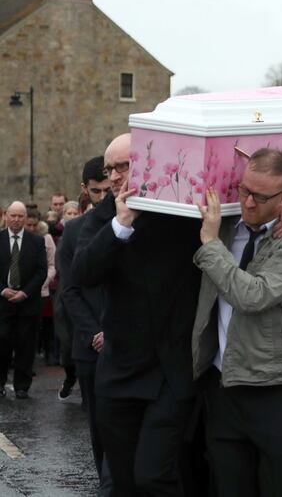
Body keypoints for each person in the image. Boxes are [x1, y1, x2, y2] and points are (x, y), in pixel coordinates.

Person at [71, 133, 203, 496]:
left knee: (154, 476)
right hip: (119, 371)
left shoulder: (179, 207)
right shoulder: (103, 216)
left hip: (169, 370)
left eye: (122, 166)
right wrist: (121, 225)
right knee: (124, 481)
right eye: (109, 169)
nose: (114, 176)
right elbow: (82, 273)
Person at [192, 148, 282, 497]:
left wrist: (209, 245)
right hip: (227, 384)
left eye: (261, 197)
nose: (249, 203)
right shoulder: (225, 228)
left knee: (280, 487)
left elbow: (253, 296)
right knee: (228, 486)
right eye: (243, 190)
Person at [57, 155, 113, 493]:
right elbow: (70, 291)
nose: (104, 198)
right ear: (84, 190)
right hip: (90, 346)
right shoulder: (74, 231)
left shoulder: (136, 222)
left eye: (109, 190)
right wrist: (95, 333)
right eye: (96, 192)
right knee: (99, 426)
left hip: (128, 340)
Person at [0, 201, 47, 399]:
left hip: (27, 303)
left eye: (20, 216)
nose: (17, 219)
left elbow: (41, 271)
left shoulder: (36, 241)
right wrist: (2, 290)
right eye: (13, 215)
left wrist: (25, 292)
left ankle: (22, 386)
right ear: (6, 216)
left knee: (26, 346)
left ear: (26, 218)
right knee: (1, 344)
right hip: (2, 303)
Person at [26, 209, 57, 366]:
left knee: (39, 325)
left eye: (34, 225)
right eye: (28, 225)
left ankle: (39, 357)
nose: (31, 228)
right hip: (21, 290)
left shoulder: (46, 237)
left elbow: (52, 264)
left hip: (41, 290)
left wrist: (41, 282)